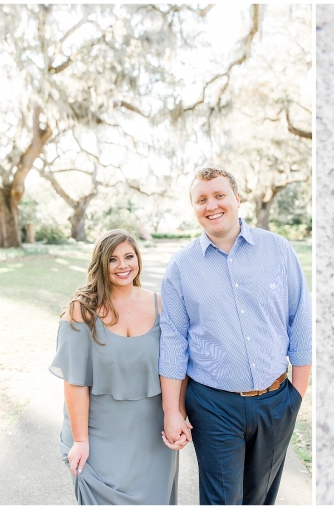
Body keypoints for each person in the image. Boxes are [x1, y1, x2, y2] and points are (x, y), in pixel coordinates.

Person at [159, 165, 312, 505]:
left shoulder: (278, 250)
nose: (211, 205)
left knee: (259, 498)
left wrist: (295, 396)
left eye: (218, 195)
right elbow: (173, 342)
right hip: (214, 404)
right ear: (194, 207)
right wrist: (172, 411)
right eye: (201, 199)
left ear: (237, 199)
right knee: (221, 501)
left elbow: (300, 320)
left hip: (276, 401)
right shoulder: (181, 267)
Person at [49, 229, 184, 504]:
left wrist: (178, 414)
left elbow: (176, 367)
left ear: (138, 259)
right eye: (112, 259)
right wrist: (81, 440)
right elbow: (75, 382)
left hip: (151, 437)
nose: (123, 266)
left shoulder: (161, 305)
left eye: (129, 257)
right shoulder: (81, 310)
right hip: (97, 435)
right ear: (100, 263)